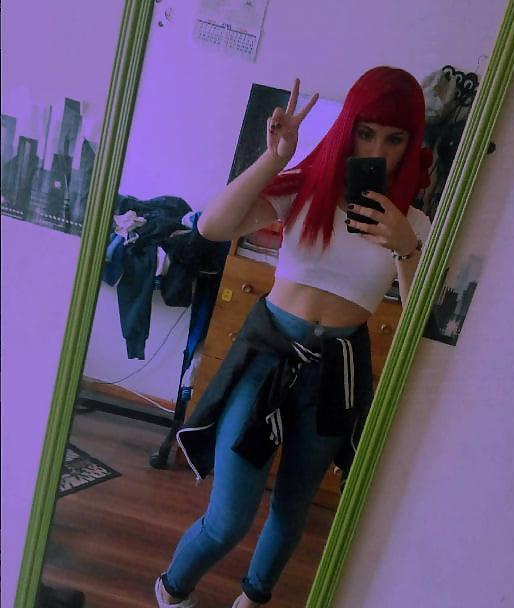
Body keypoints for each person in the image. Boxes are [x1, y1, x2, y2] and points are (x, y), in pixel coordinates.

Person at [155, 66, 433, 608]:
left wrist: (405, 245)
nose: (377, 149)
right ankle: (172, 591)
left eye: (394, 138)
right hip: (269, 357)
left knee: (292, 509)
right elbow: (212, 226)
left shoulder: (414, 225)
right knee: (229, 518)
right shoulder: (308, 189)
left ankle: (253, 599)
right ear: (348, 127)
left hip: (335, 375)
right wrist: (275, 158)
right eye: (366, 132)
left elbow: (422, 317)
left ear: (411, 142)